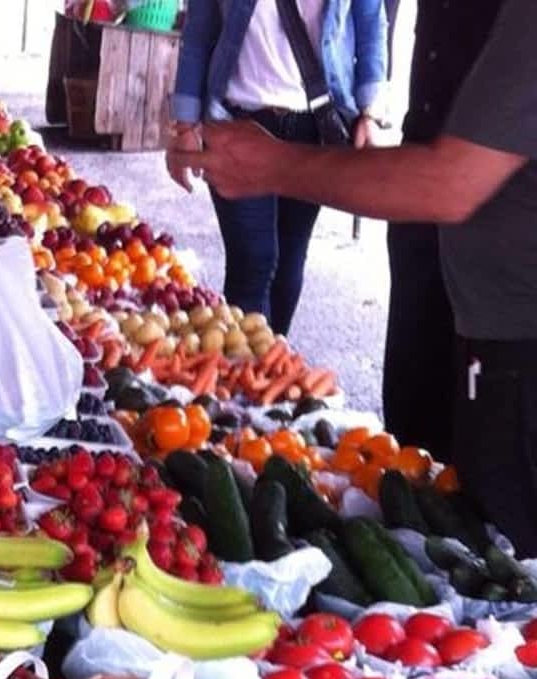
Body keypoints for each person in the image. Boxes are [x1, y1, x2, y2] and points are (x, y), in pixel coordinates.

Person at [197, 0, 537, 552]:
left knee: (506, 549)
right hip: (454, 293)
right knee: (431, 490)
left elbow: (449, 183)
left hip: (518, 345)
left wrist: (275, 165)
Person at [166, 0, 387, 335]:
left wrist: (368, 110)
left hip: (312, 127)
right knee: (253, 259)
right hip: (236, 120)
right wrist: (185, 124)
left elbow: (371, 21)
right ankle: (242, 375)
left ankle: (274, 366)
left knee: (290, 258)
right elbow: (199, 29)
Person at [381, 0, 504, 461]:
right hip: (417, 209)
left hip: (491, 223)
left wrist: (277, 167)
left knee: (479, 411)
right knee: (410, 382)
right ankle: (409, 490)